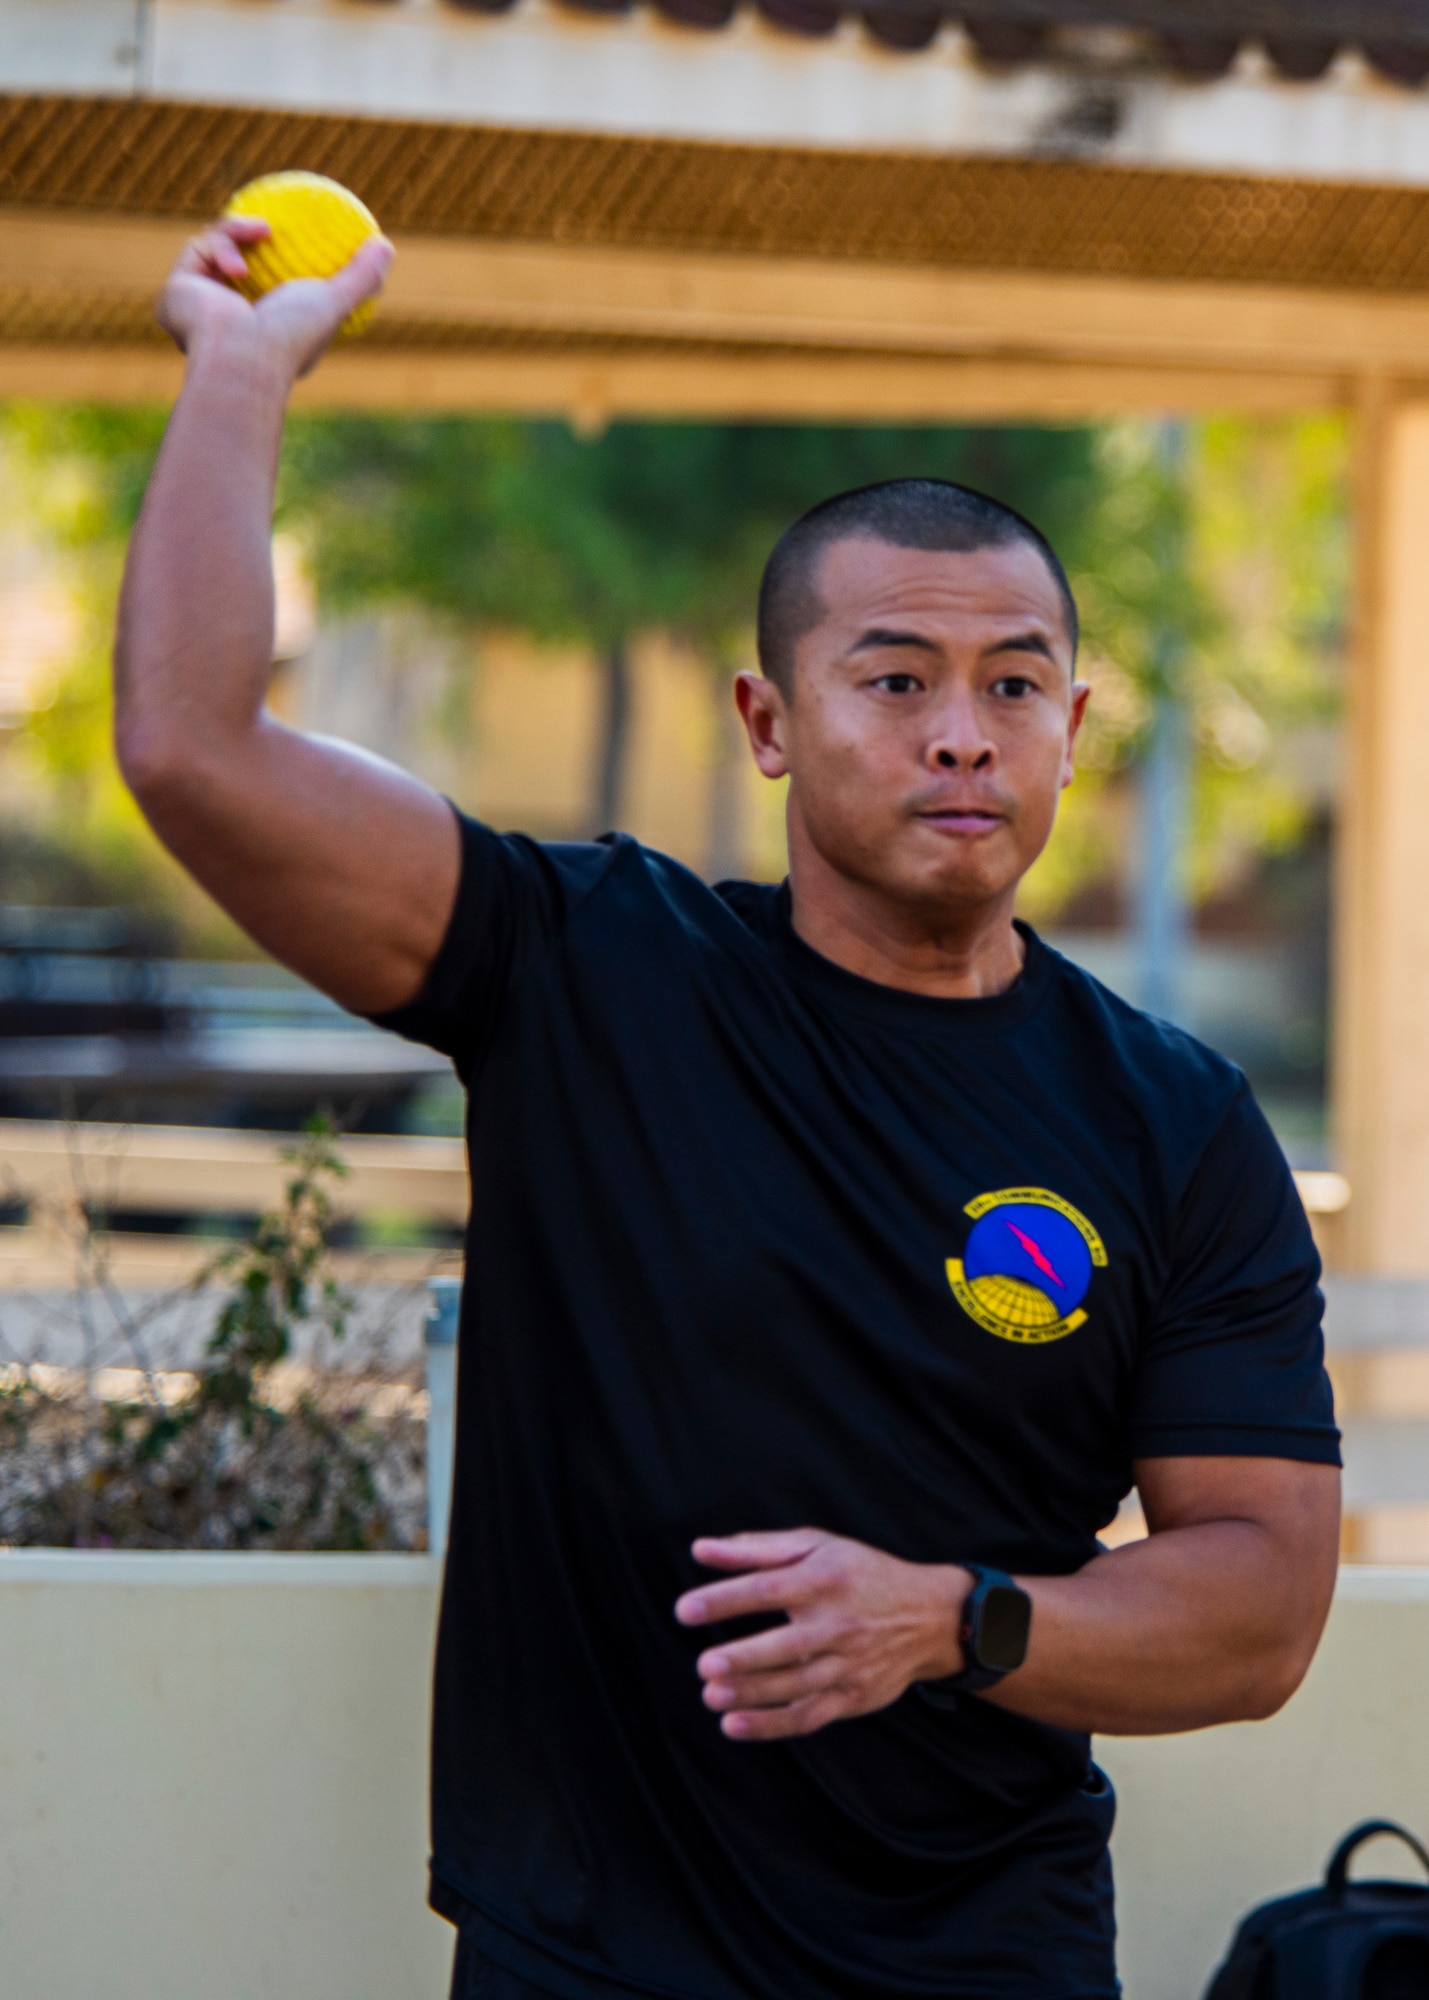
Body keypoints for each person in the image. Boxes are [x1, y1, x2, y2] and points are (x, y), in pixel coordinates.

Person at [116, 221, 1342, 2000]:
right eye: (894, 677)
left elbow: (1259, 1605)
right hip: (590, 1958)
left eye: (1012, 684)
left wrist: (953, 1619)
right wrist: (240, 369)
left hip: (980, 1960)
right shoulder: (588, 968)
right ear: (768, 721)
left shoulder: (1174, 1121)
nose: (960, 733)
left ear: (1072, 728)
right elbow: (193, 749)